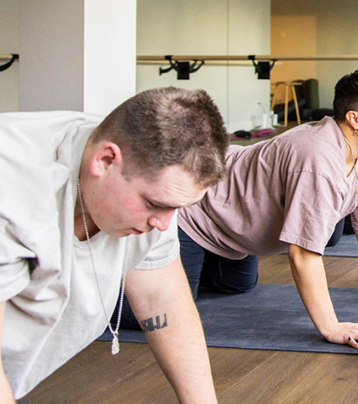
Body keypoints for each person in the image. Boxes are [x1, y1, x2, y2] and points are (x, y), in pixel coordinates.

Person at [168, 70, 358, 349]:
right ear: (354, 118)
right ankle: (146, 267)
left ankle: (194, 264)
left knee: (238, 286)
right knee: (168, 311)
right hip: (198, 211)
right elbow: (302, 254)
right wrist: (331, 327)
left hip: (235, 225)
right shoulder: (317, 160)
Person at [0, 87, 227, 403]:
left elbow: (161, 297)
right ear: (105, 160)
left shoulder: (146, 167)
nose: (163, 224)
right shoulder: (12, 189)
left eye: (175, 208)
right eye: (154, 204)